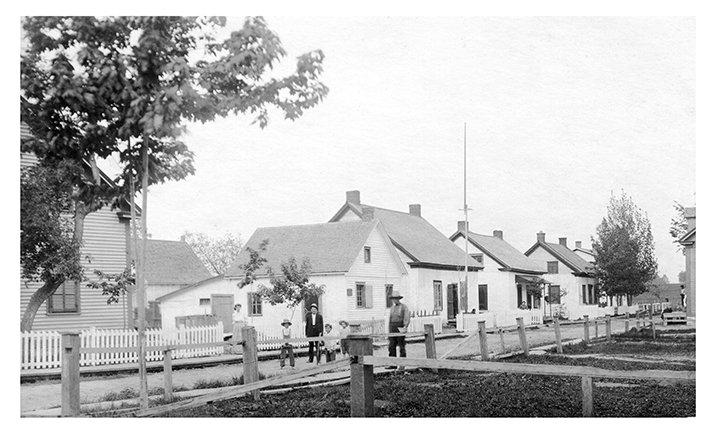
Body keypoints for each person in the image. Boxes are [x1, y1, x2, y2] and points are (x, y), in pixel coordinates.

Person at [387, 290, 410, 369]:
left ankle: (402, 364)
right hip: (392, 328)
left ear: (399, 299)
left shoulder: (403, 307)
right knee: (391, 346)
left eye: (396, 299)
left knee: (401, 346)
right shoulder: (392, 308)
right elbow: (390, 320)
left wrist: (405, 326)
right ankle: (393, 364)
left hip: (400, 328)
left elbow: (406, 317)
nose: (395, 300)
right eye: (393, 299)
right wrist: (389, 331)